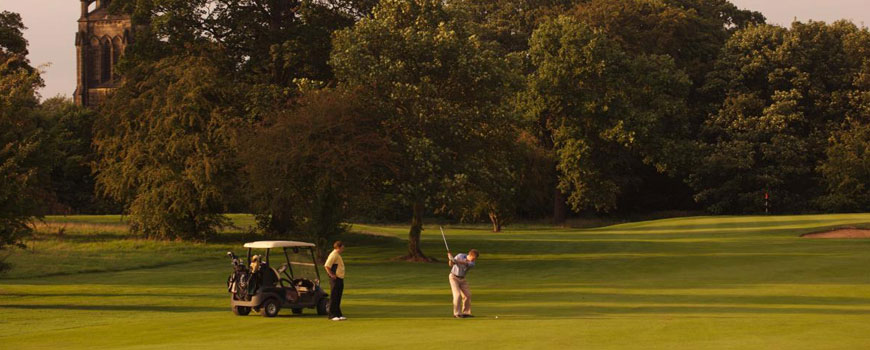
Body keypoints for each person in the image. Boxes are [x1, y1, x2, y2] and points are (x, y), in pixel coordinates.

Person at [448, 249, 479, 318]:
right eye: (473, 258)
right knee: (457, 295)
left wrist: (454, 260)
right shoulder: (460, 255)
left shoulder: (472, 263)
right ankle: (457, 313)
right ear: (470, 255)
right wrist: (450, 259)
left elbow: (464, 263)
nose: (474, 260)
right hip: (453, 277)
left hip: (462, 279)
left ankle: (466, 313)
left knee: (467, 295)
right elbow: (451, 265)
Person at [324, 241, 346, 321]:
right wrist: (331, 275)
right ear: (338, 247)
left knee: (338, 296)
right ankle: (332, 315)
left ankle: (338, 314)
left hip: (340, 278)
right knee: (334, 296)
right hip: (335, 279)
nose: (343, 249)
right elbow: (327, 266)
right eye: (342, 248)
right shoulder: (333, 255)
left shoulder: (337, 255)